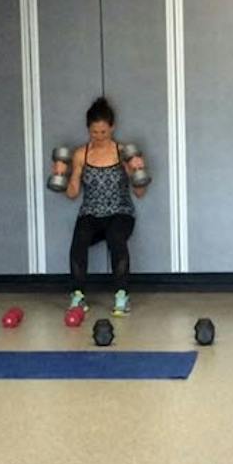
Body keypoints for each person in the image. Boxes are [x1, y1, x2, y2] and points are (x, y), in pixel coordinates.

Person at [59, 97, 148, 317]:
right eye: (94, 132)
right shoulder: (81, 154)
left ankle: (121, 295)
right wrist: (62, 173)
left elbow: (139, 192)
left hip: (121, 213)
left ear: (112, 128)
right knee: (79, 238)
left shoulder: (124, 152)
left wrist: (138, 171)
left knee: (116, 237)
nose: (99, 137)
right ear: (88, 130)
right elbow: (72, 194)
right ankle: (78, 295)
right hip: (91, 213)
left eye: (103, 132)